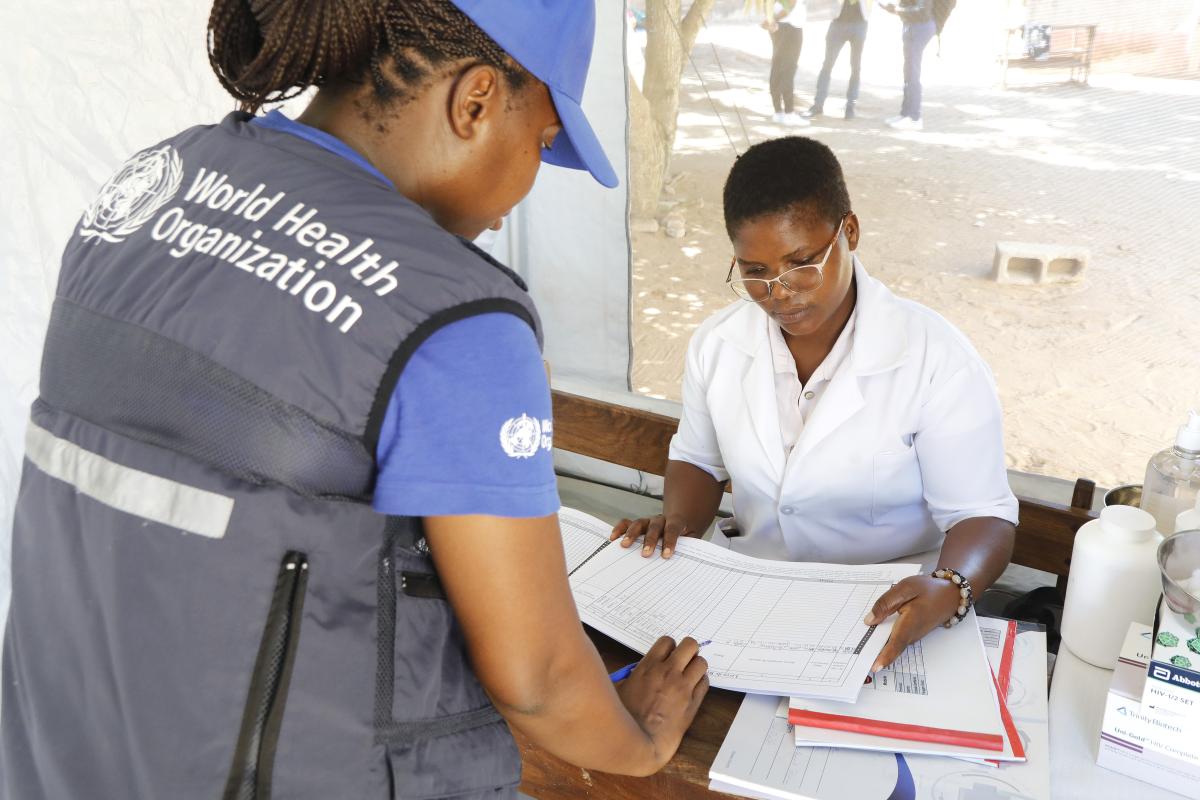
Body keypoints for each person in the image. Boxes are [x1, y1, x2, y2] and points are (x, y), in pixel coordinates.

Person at [0, 2, 709, 798]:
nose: (530, 180)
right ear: (475, 101)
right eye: (543, 142)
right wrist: (641, 743)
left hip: (62, 758)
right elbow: (537, 677)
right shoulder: (457, 317)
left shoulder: (152, 186)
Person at [611, 137, 1018, 671]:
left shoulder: (935, 358)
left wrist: (952, 586)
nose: (779, 292)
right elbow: (698, 459)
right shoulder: (718, 344)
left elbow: (980, 513)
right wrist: (678, 525)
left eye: (802, 262)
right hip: (750, 594)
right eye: (754, 271)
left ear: (849, 232)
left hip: (886, 607)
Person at [803, 0, 874, 120]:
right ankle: (818, 105)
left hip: (860, 23)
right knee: (827, 64)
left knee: (855, 67)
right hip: (838, 23)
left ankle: (850, 107)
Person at [882, 0, 938, 130]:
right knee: (908, 73)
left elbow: (922, 11)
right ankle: (905, 114)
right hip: (911, 26)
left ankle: (914, 118)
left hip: (920, 27)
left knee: (913, 73)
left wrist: (896, 10)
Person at [763, 1, 807, 125]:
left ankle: (778, 112)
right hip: (790, 27)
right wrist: (772, 19)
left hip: (780, 26)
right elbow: (791, 4)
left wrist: (770, 19)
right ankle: (789, 113)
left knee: (777, 68)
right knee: (788, 70)